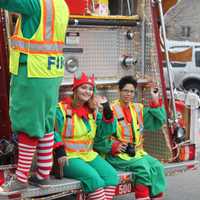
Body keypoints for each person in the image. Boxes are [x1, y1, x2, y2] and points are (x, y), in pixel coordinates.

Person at [0, 0, 69, 192]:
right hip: (50, 73)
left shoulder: (36, 4)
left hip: (32, 72)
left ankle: (21, 178)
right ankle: (42, 175)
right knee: (45, 123)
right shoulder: (61, 5)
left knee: (28, 123)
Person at [94, 76, 167, 200]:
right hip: (117, 156)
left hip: (137, 153)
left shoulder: (138, 108)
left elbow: (159, 121)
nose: (129, 94)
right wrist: (114, 146)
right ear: (119, 91)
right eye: (126, 91)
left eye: (132, 91)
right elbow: (98, 138)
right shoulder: (109, 110)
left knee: (158, 167)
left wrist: (155, 100)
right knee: (143, 168)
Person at [53, 72, 119, 200]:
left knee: (111, 176)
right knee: (94, 179)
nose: (87, 91)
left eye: (90, 89)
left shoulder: (92, 111)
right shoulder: (60, 109)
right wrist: (60, 150)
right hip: (68, 158)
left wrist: (107, 111)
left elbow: (104, 133)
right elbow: (51, 130)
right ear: (75, 89)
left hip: (89, 155)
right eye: (83, 87)